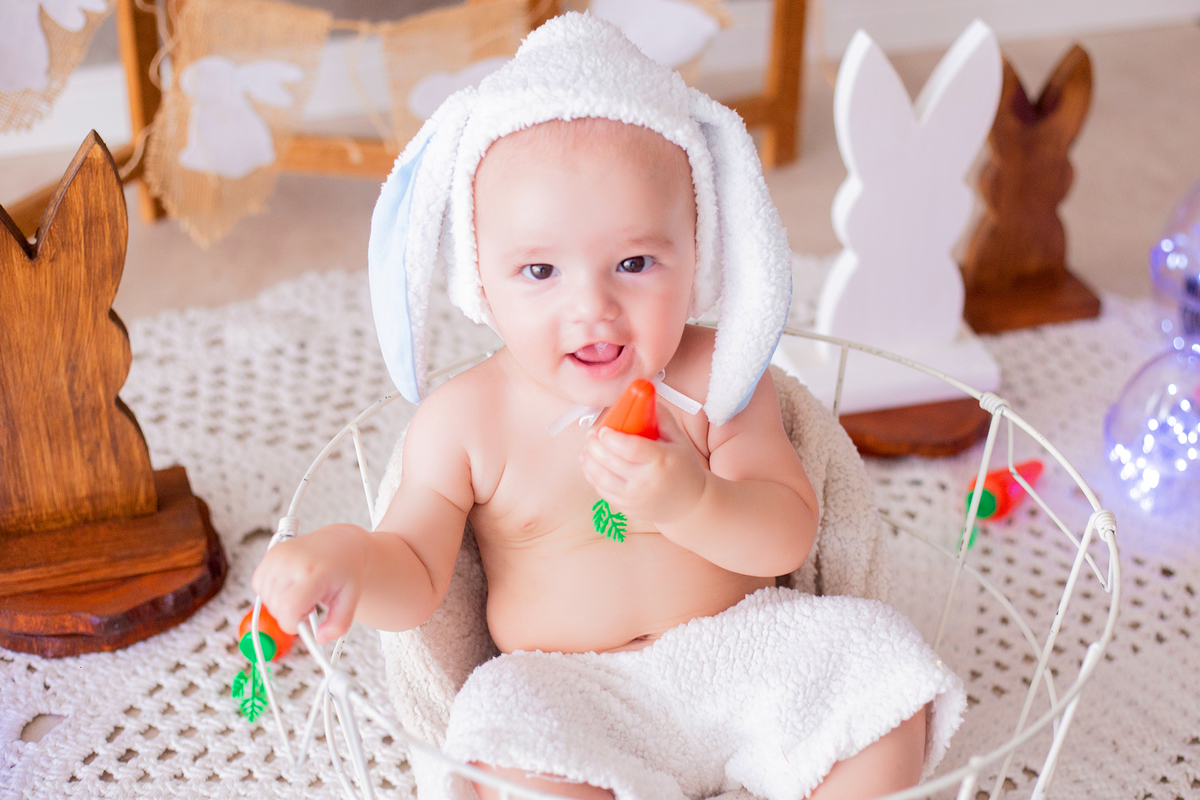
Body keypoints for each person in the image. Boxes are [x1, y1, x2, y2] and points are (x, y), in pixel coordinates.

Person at [253, 14, 962, 800]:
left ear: (698, 256)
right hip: (571, 691)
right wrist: (349, 559)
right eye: (539, 270)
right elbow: (417, 572)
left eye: (633, 262)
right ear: (478, 280)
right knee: (502, 746)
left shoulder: (714, 378)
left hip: (745, 653)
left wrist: (692, 498)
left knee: (887, 673)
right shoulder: (466, 421)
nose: (592, 306)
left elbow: (788, 530)